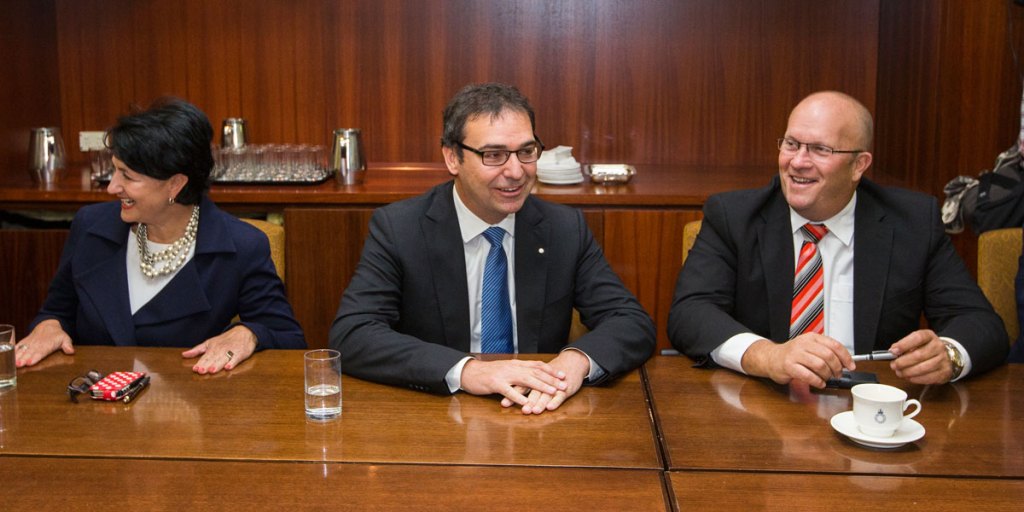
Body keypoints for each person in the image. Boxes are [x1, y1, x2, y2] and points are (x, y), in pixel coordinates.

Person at [330, 82, 655, 414]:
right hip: (436, 413)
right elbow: (353, 333)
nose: (515, 172)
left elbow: (630, 321)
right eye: (494, 155)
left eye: (526, 152)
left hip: (538, 410)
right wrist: (468, 371)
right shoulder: (401, 228)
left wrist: (575, 361)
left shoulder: (563, 229)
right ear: (452, 158)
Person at [669, 91, 1007, 387]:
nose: (798, 162)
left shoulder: (912, 222)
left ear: (859, 165)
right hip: (762, 404)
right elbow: (690, 312)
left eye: (820, 149)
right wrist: (768, 356)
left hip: (872, 410)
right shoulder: (734, 216)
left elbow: (980, 323)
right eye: (791, 144)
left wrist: (949, 355)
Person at [15, 98, 305, 373]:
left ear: (175, 184)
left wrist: (249, 333)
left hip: (187, 404)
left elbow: (288, 338)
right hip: (94, 398)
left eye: (127, 176)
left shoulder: (241, 246)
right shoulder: (90, 227)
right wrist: (49, 326)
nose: (112, 187)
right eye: (115, 170)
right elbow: (58, 310)